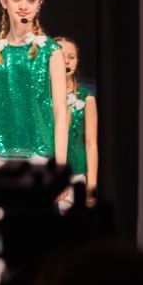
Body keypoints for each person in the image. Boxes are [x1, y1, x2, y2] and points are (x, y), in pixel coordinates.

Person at [0, 0, 68, 285]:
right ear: (4, 2)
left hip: (39, 151)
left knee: (38, 233)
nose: (23, 6)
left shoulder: (50, 50)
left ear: (39, 5)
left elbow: (60, 111)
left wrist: (60, 165)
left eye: (30, 0)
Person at [54, 37, 96, 212]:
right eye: (61, 56)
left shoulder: (86, 98)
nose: (66, 61)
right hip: (47, 176)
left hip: (76, 175)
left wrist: (91, 184)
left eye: (71, 57)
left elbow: (91, 143)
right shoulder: (41, 99)